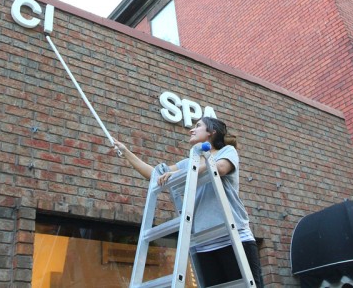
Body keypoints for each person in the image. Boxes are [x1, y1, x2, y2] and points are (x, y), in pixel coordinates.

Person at [113, 116, 264, 287]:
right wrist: (126, 152)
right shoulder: (188, 163)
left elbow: (221, 168)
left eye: (198, 126)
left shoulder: (227, 151)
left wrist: (188, 172)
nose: (191, 129)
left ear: (212, 132)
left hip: (235, 237)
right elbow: (154, 176)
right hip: (204, 244)